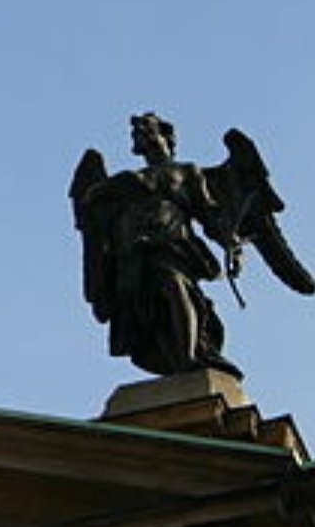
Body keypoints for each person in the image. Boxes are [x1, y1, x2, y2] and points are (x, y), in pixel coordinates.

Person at [73, 113, 242, 378]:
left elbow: (209, 214)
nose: (143, 136)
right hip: (133, 251)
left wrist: (231, 242)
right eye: (138, 134)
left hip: (173, 244)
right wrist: (106, 193)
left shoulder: (187, 172)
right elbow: (89, 201)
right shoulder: (127, 178)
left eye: (148, 130)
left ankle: (188, 358)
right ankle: (175, 359)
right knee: (148, 310)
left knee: (174, 285)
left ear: (167, 136)